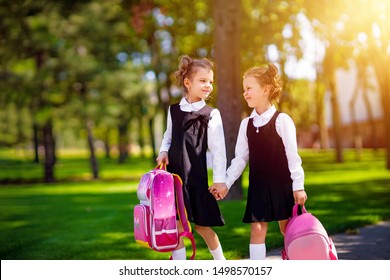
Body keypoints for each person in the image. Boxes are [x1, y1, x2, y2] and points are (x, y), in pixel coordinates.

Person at [209, 64, 307, 260]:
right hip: (259, 188)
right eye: (244, 89)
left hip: (282, 186)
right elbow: (240, 159)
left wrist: (298, 186)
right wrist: (226, 183)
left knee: (288, 230)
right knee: (257, 228)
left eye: (249, 88)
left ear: (266, 90)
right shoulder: (246, 124)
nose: (245, 93)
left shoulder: (282, 120)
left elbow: (293, 157)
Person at [156, 55, 227, 260]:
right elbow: (168, 136)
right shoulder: (174, 111)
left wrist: (219, 180)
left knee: (203, 226)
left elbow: (218, 150)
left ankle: (222, 264)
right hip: (174, 180)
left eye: (211, 82)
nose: (208, 86)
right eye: (203, 81)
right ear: (188, 83)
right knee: (176, 225)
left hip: (197, 179)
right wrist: (163, 150)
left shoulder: (211, 114)